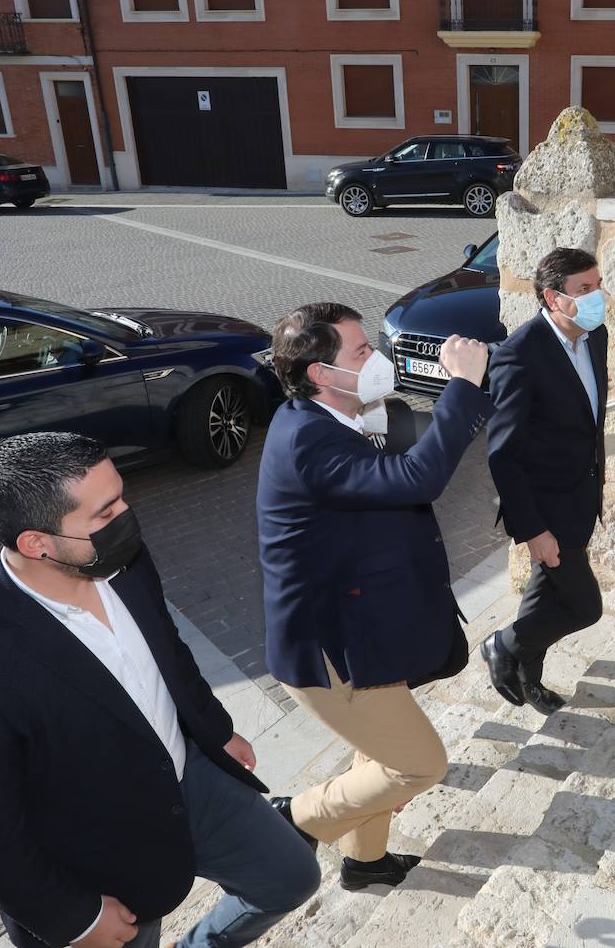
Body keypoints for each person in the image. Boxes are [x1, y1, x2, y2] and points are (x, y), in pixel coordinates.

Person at [0, 432, 320, 948]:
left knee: (291, 878)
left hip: (192, 778)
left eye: (122, 495)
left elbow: (167, 651)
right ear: (36, 543)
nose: (126, 516)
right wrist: (73, 917)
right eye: (105, 512)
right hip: (98, 861)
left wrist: (216, 728)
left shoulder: (119, 560)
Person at [257, 302, 492, 891]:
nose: (376, 359)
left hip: (363, 633)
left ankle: (365, 862)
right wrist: (461, 383)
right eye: (360, 352)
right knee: (419, 763)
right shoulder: (307, 440)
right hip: (329, 652)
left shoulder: (337, 419)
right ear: (319, 373)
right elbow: (417, 479)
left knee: (377, 752)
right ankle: (297, 818)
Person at [481, 247, 609, 716]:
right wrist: (533, 530)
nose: (598, 296)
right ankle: (503, 645)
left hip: (581, 495)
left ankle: (526, 677)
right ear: (554, 299)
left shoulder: (594, 336)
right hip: (547, 510)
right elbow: (503, 455)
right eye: (585, 289)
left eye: (598, 285)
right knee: (584, 606)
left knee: (544, 593)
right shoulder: (519, 356)